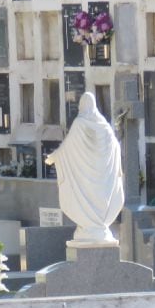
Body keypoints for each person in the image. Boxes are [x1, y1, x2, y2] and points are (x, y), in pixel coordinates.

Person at [44, 92, 124, 244]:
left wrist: (54, 157)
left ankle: (90, 223)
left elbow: (66, 148)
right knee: (101, 203)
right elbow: (115, 147)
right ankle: (99, 225)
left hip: (85, 185)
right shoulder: (105, 128)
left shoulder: (79, 124)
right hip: (103, 185)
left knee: (87, 202)